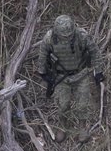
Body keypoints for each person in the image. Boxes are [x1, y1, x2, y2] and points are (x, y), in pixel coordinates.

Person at [35, 14, 106, 143]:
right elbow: (42, 56)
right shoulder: (49, 39)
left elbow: (95, 52)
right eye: (64, 36)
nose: (67, 38)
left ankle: (82, 127)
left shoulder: (82, 36)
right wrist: (43, 73)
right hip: (61, 77)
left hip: (81, 74)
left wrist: (98, 71)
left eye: (69, 35)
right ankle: (62, 126)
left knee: (83, 104)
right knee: (62, 104)